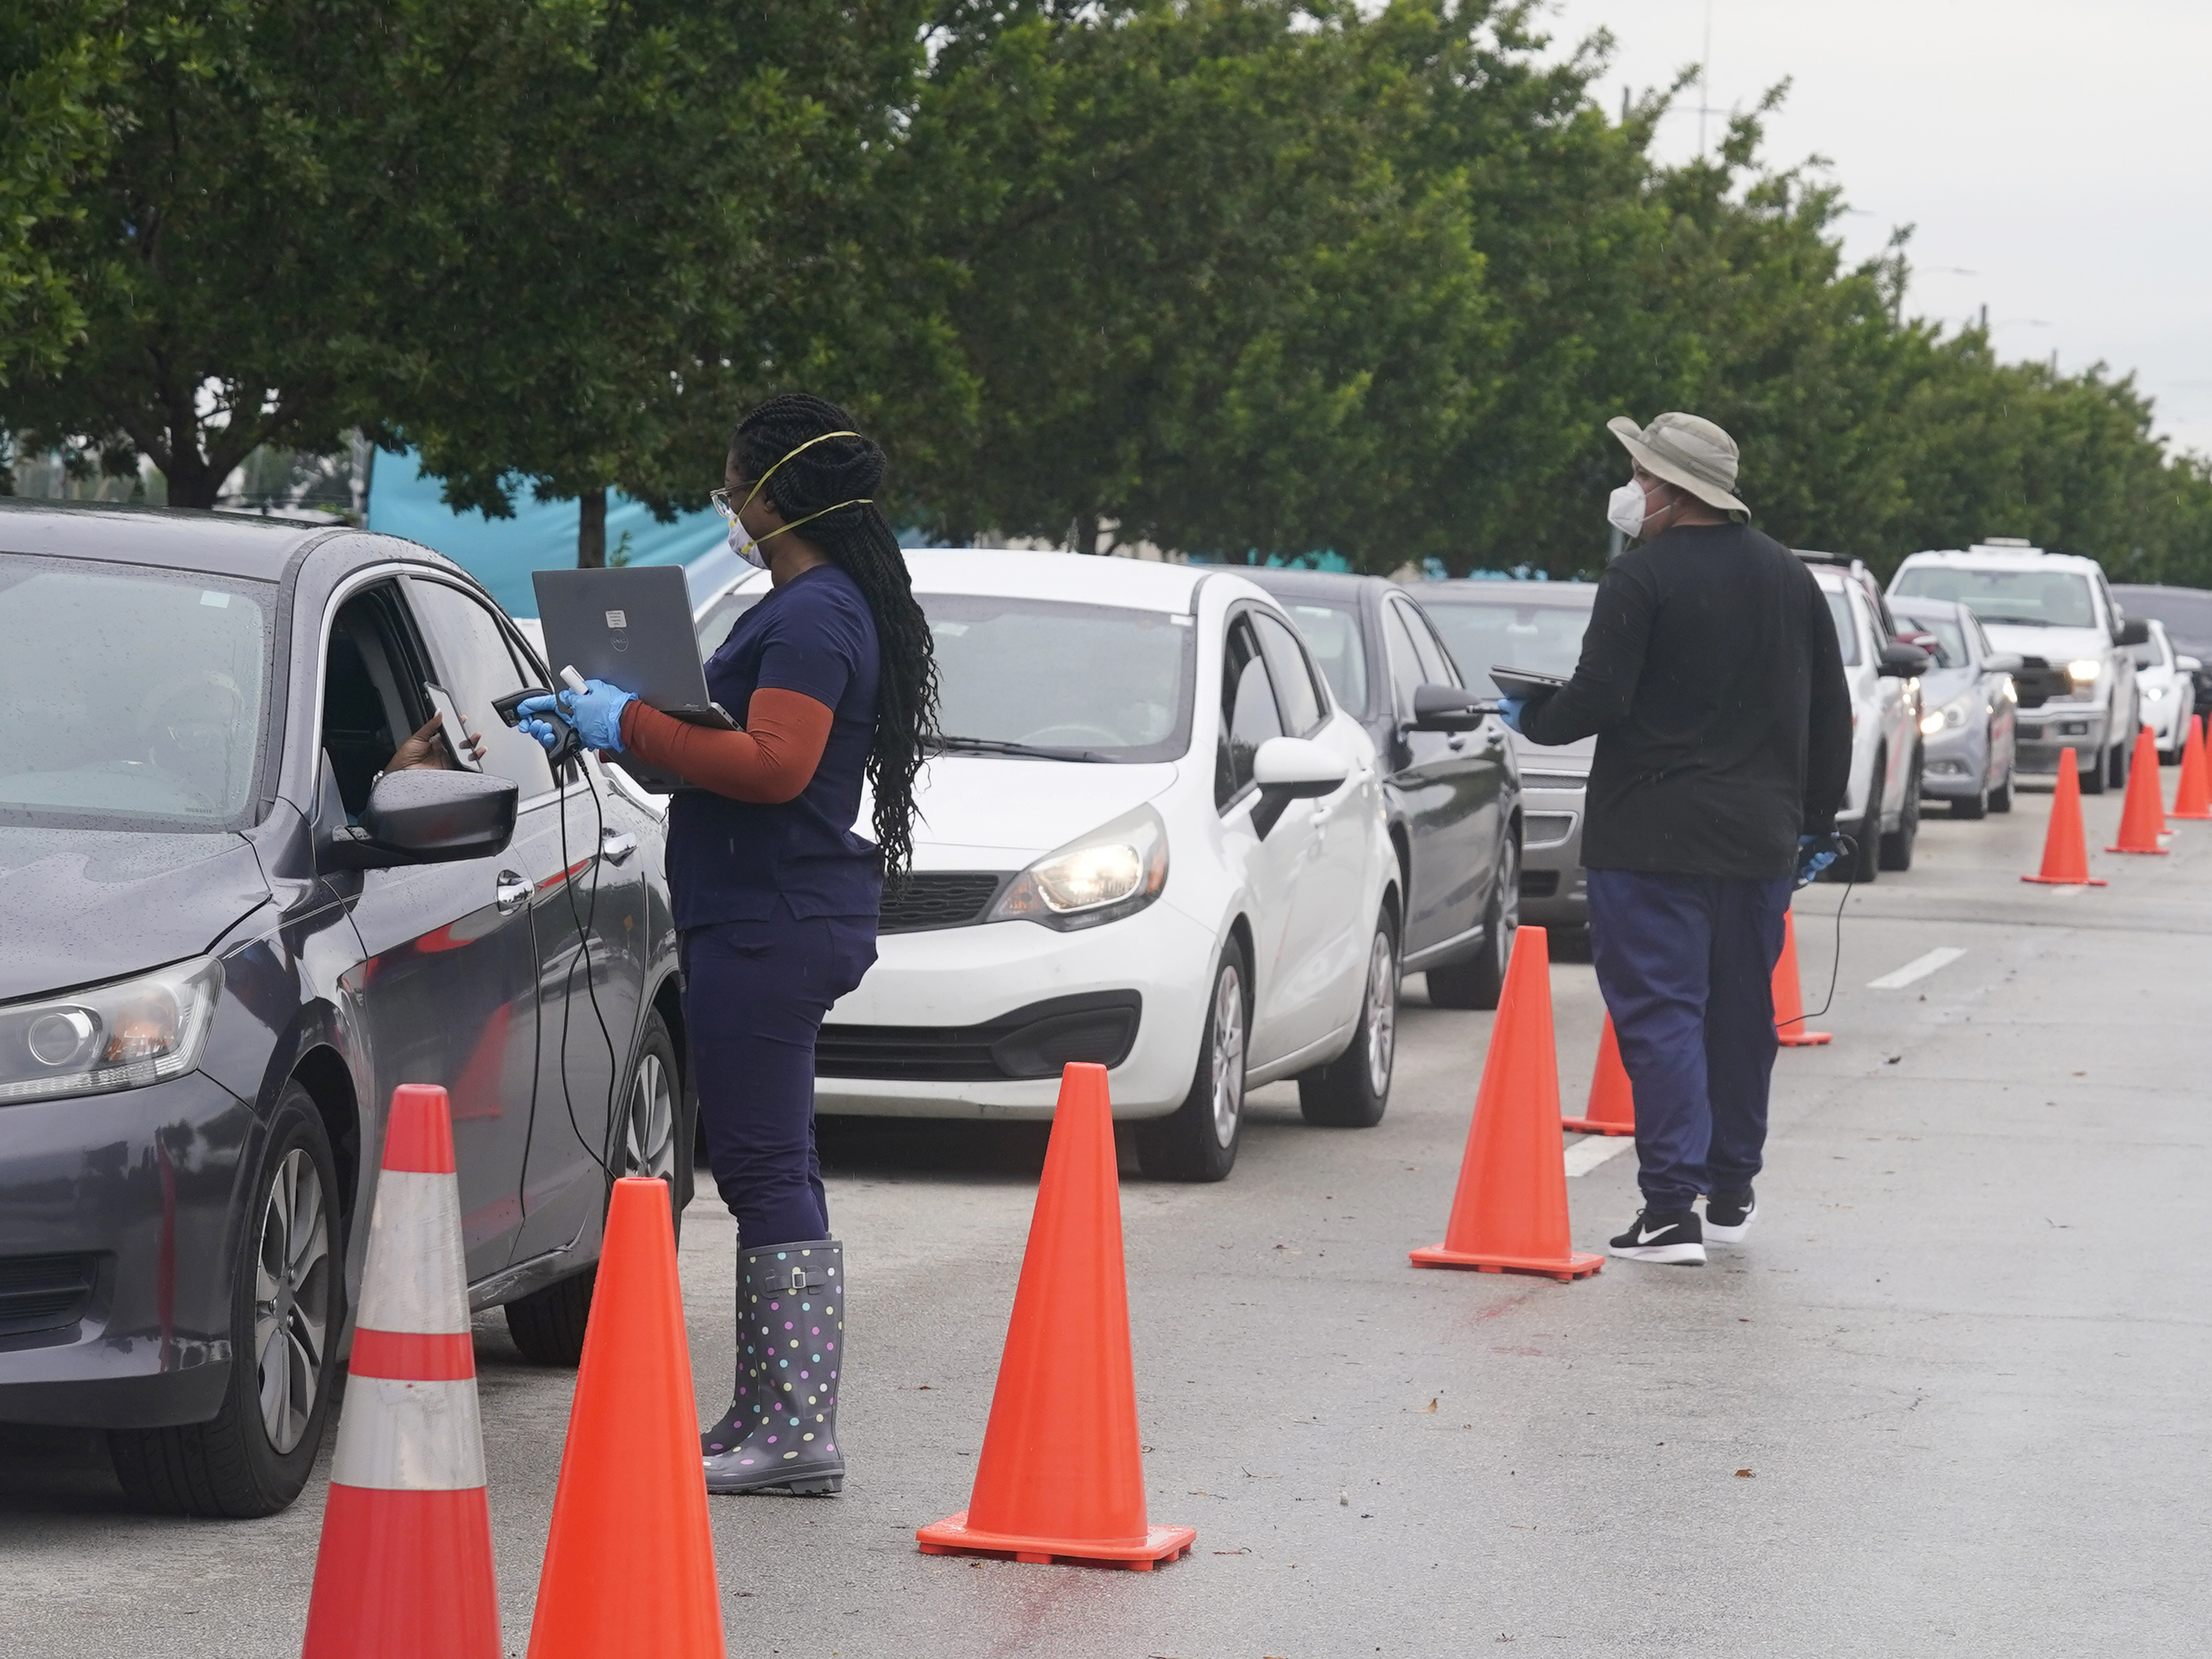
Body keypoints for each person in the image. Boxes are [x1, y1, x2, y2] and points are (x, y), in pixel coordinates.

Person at [519, 394, 938, 1492]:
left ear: (772, 492)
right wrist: (605, 726)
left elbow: (772, 766)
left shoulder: (811, 615)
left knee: (760, 1163)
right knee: (774, 1157)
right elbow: (719, 756)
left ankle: (794, 1432)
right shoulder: (809, 603)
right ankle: (768, 1416)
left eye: (731, 486)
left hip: (770, 917)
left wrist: (631, 724)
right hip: (759, 907)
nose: (726, 507)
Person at [1500, 412, 1850, 1267]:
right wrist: (1816, 820)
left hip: (1651, 839)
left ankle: (1667, 1210)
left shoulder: (1640, 577)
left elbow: (1598, 698)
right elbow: (1830, 710)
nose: (1631, 488)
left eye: (1637, 474)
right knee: (1739, 1017)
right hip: (1759, 841)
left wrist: (1530, 714)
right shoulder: (1789, 579)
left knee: (1661, 1016)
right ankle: (1730, 1192)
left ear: (1666, 487)